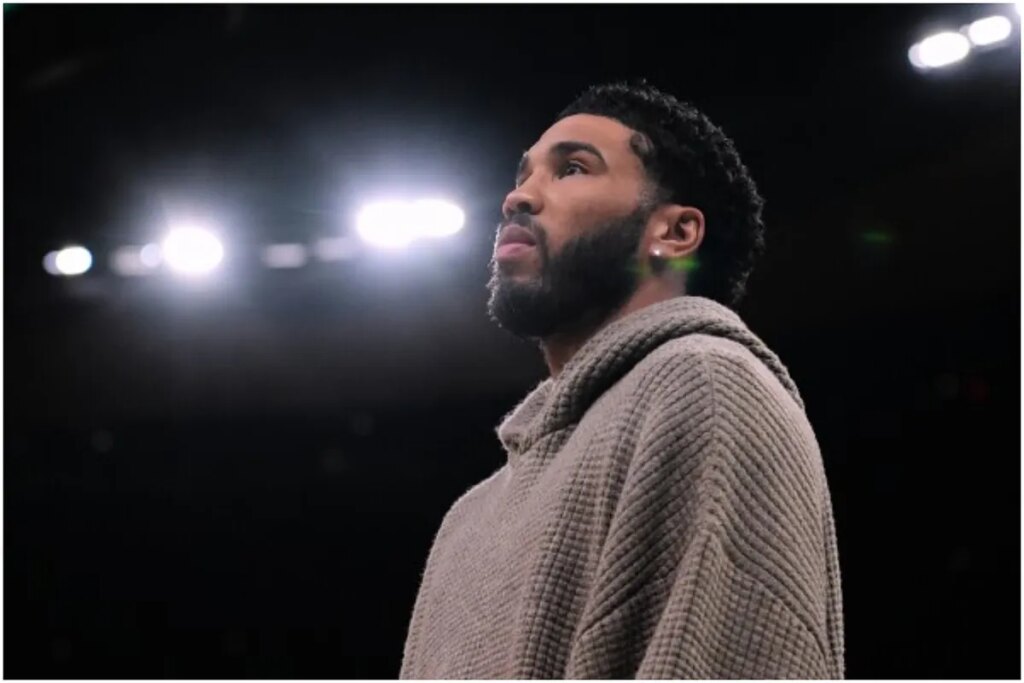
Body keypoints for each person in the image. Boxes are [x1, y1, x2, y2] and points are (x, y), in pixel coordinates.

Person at [399, 82, 844, 679]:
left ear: (674, 233)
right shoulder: (466, 520)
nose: (516, 197)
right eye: (523, 175)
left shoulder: (706, 385)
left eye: (572, 169)